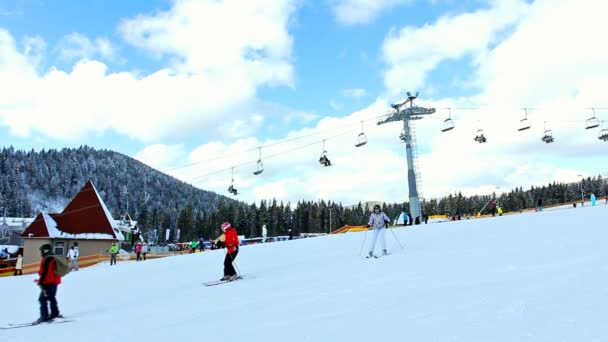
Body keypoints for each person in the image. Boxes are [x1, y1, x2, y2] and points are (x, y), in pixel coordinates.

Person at [35, 244, 62, 323]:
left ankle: (44, 316)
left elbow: (46, 273)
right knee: (51, 297)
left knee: (42, 299)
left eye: (42, 250)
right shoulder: (52, 257)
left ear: (46, 250)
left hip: (48, 282)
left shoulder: (48, 259)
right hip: (54, 282)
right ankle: (55, 313)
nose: (41, 252)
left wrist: (41, 282)